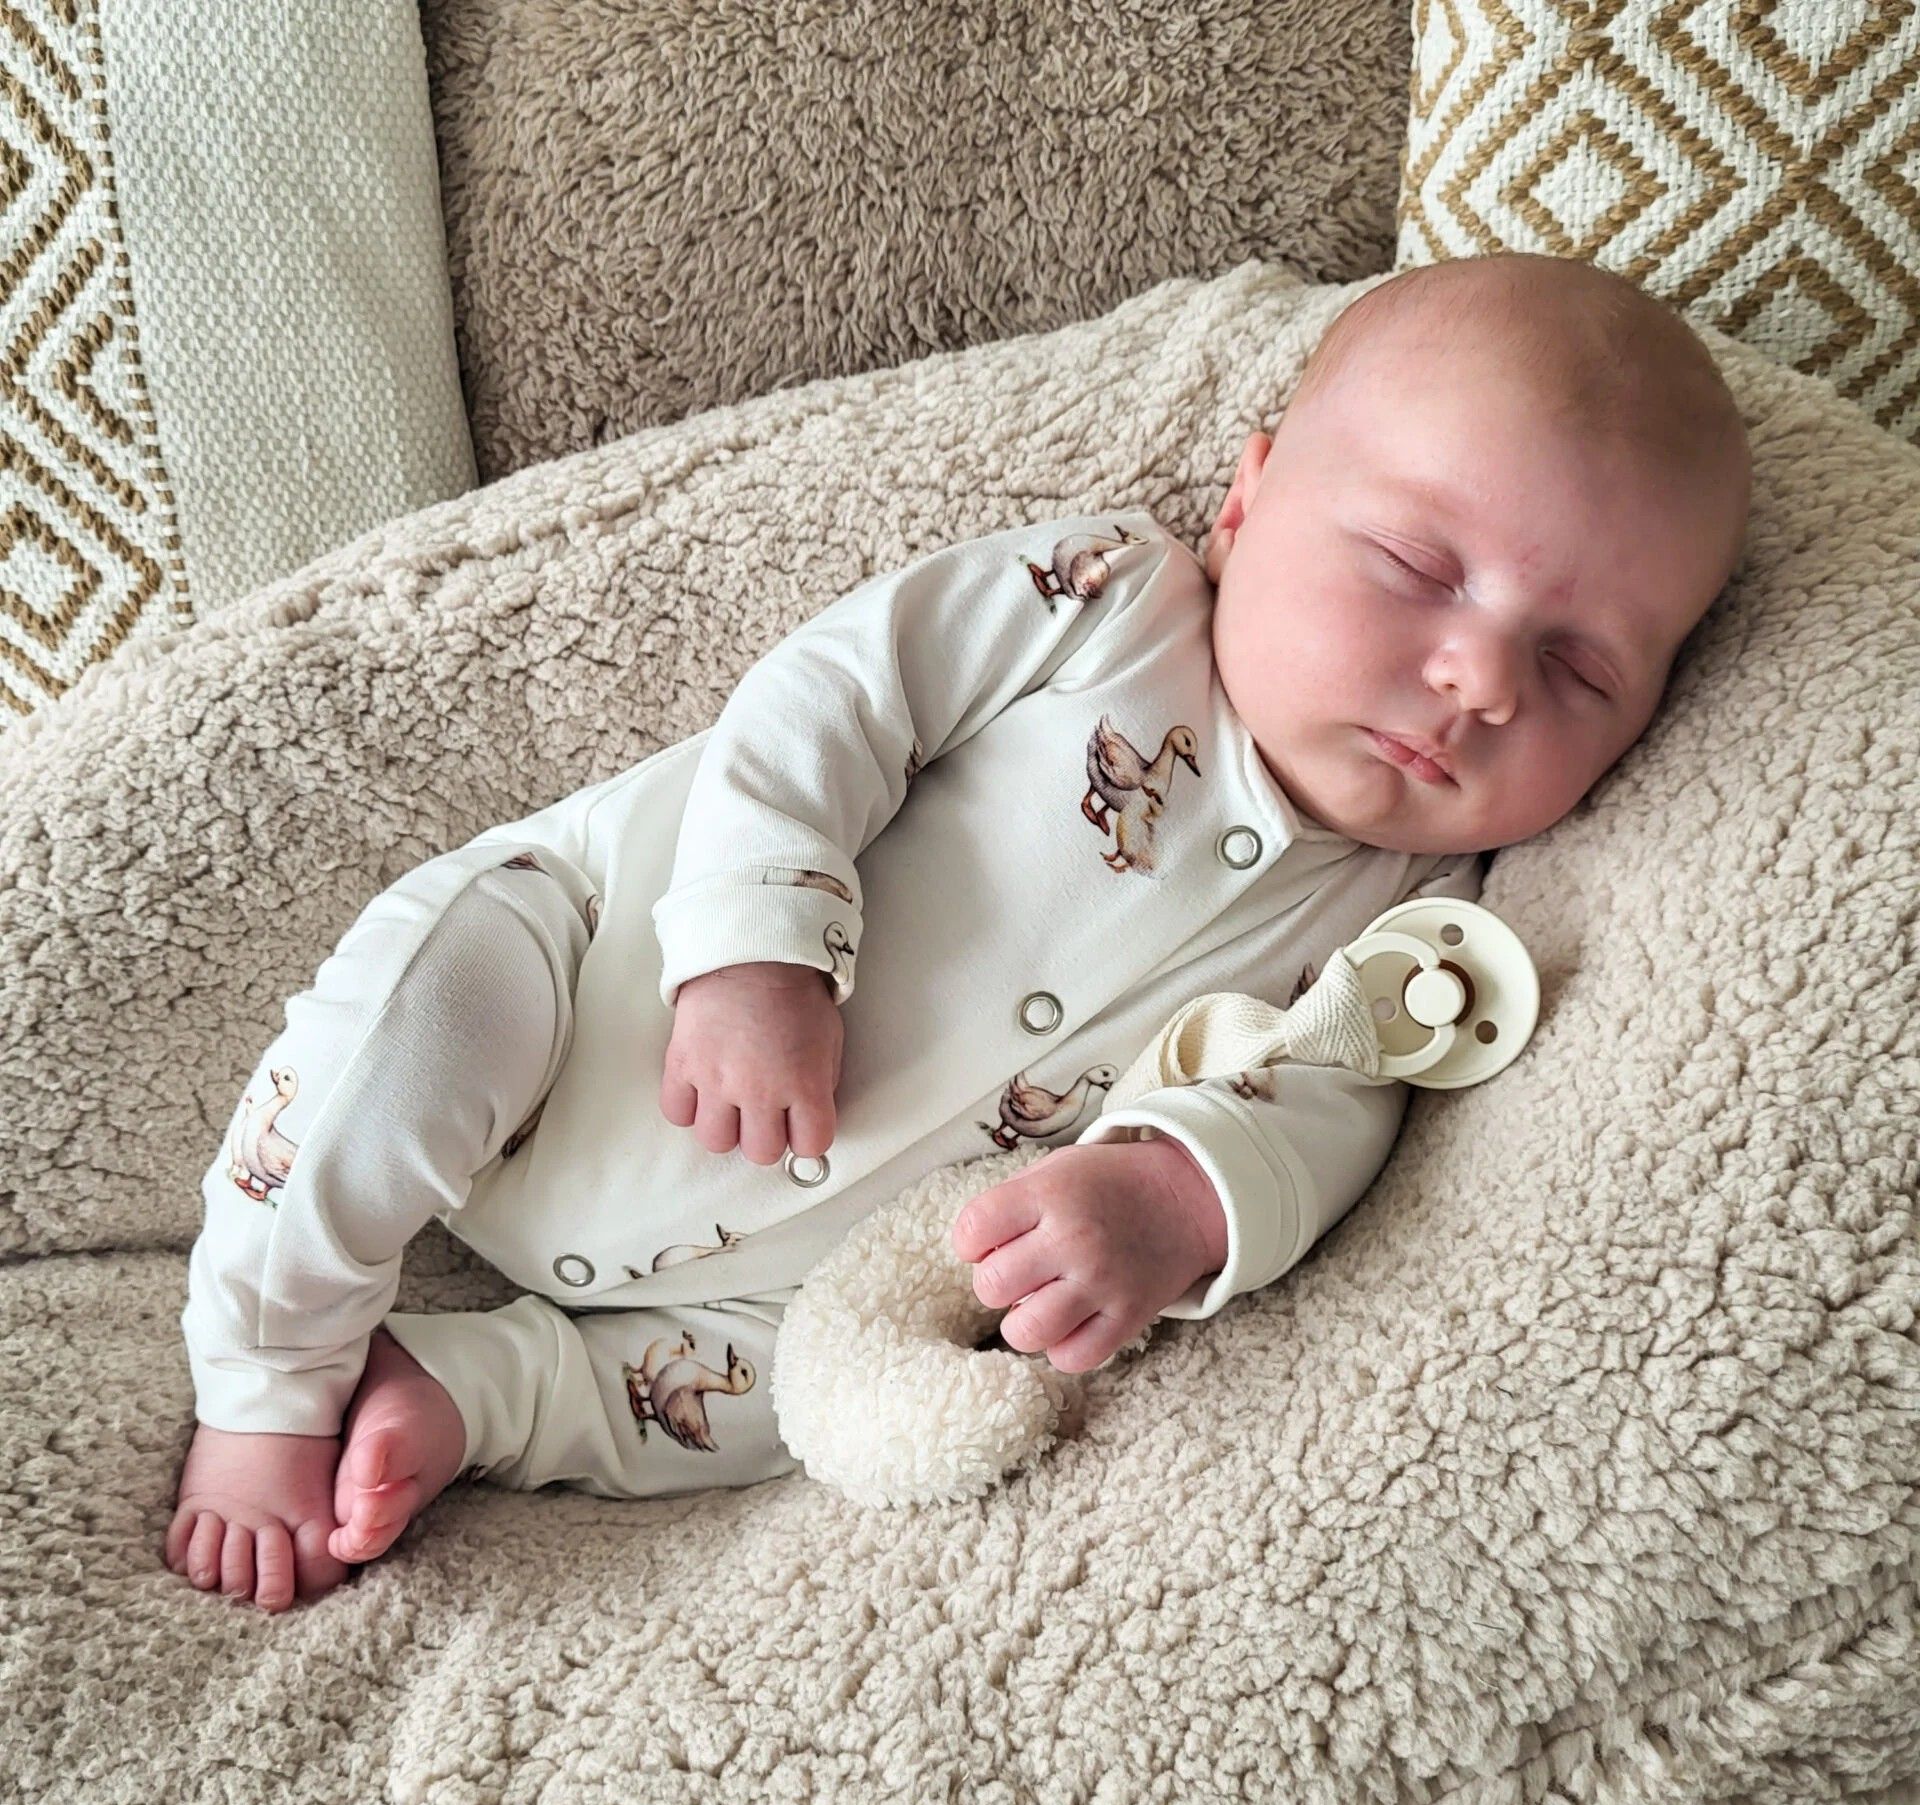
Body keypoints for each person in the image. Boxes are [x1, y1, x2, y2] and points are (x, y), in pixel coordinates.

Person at [164, 251, 1752, 1613]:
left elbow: (1325, 1101)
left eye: (1579, 670)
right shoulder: (1103, 601)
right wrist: (755, 944)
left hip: (765, 1294)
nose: (1481, 680)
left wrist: (1177, 1197)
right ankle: (270, 1371)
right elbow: (834, 699)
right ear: (1249, 500)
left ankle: (478, 1395)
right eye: (1415, 566)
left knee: (807, 1400)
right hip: (590, 995)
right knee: (411, 1028)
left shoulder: (1424, 925)